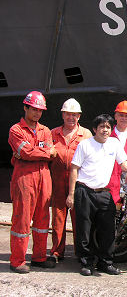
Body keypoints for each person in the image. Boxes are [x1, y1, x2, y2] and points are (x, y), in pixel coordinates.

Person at [67, 114, 127, 276]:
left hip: (104, 193)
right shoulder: (85, 145)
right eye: (102, 127)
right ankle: (86, 263)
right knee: (85, 230)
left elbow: (123, 162)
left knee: (108, 229)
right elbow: (74, 169)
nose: (105, 130)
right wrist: (71, 194)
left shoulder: (114, 144)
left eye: (108, 127)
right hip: (85, 191)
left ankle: (106, 262)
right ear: (95, 129)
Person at [8, 91, 57, 273]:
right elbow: (26, 153)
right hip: (24, 178)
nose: (37, 113)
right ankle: (17, 260)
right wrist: (44, 152)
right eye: (34, 109)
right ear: (25, 108)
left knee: (43, 219)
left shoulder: (45, 131)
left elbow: (45, 152)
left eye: (40, 110)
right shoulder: (16, 130)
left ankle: (39, 257)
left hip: (44, 177)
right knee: (22, 219)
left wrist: (34, 152)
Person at [50, 98, 92, 262]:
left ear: (79, 116)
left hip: (79, 183)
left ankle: (80, 252)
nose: (71, 118)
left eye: (74, 115)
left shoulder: (86, 134)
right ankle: (56, 252)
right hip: (58, 182)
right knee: (58, 219)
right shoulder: (52, 133)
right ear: (63, 115)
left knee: (80, 219)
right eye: (68, 114)